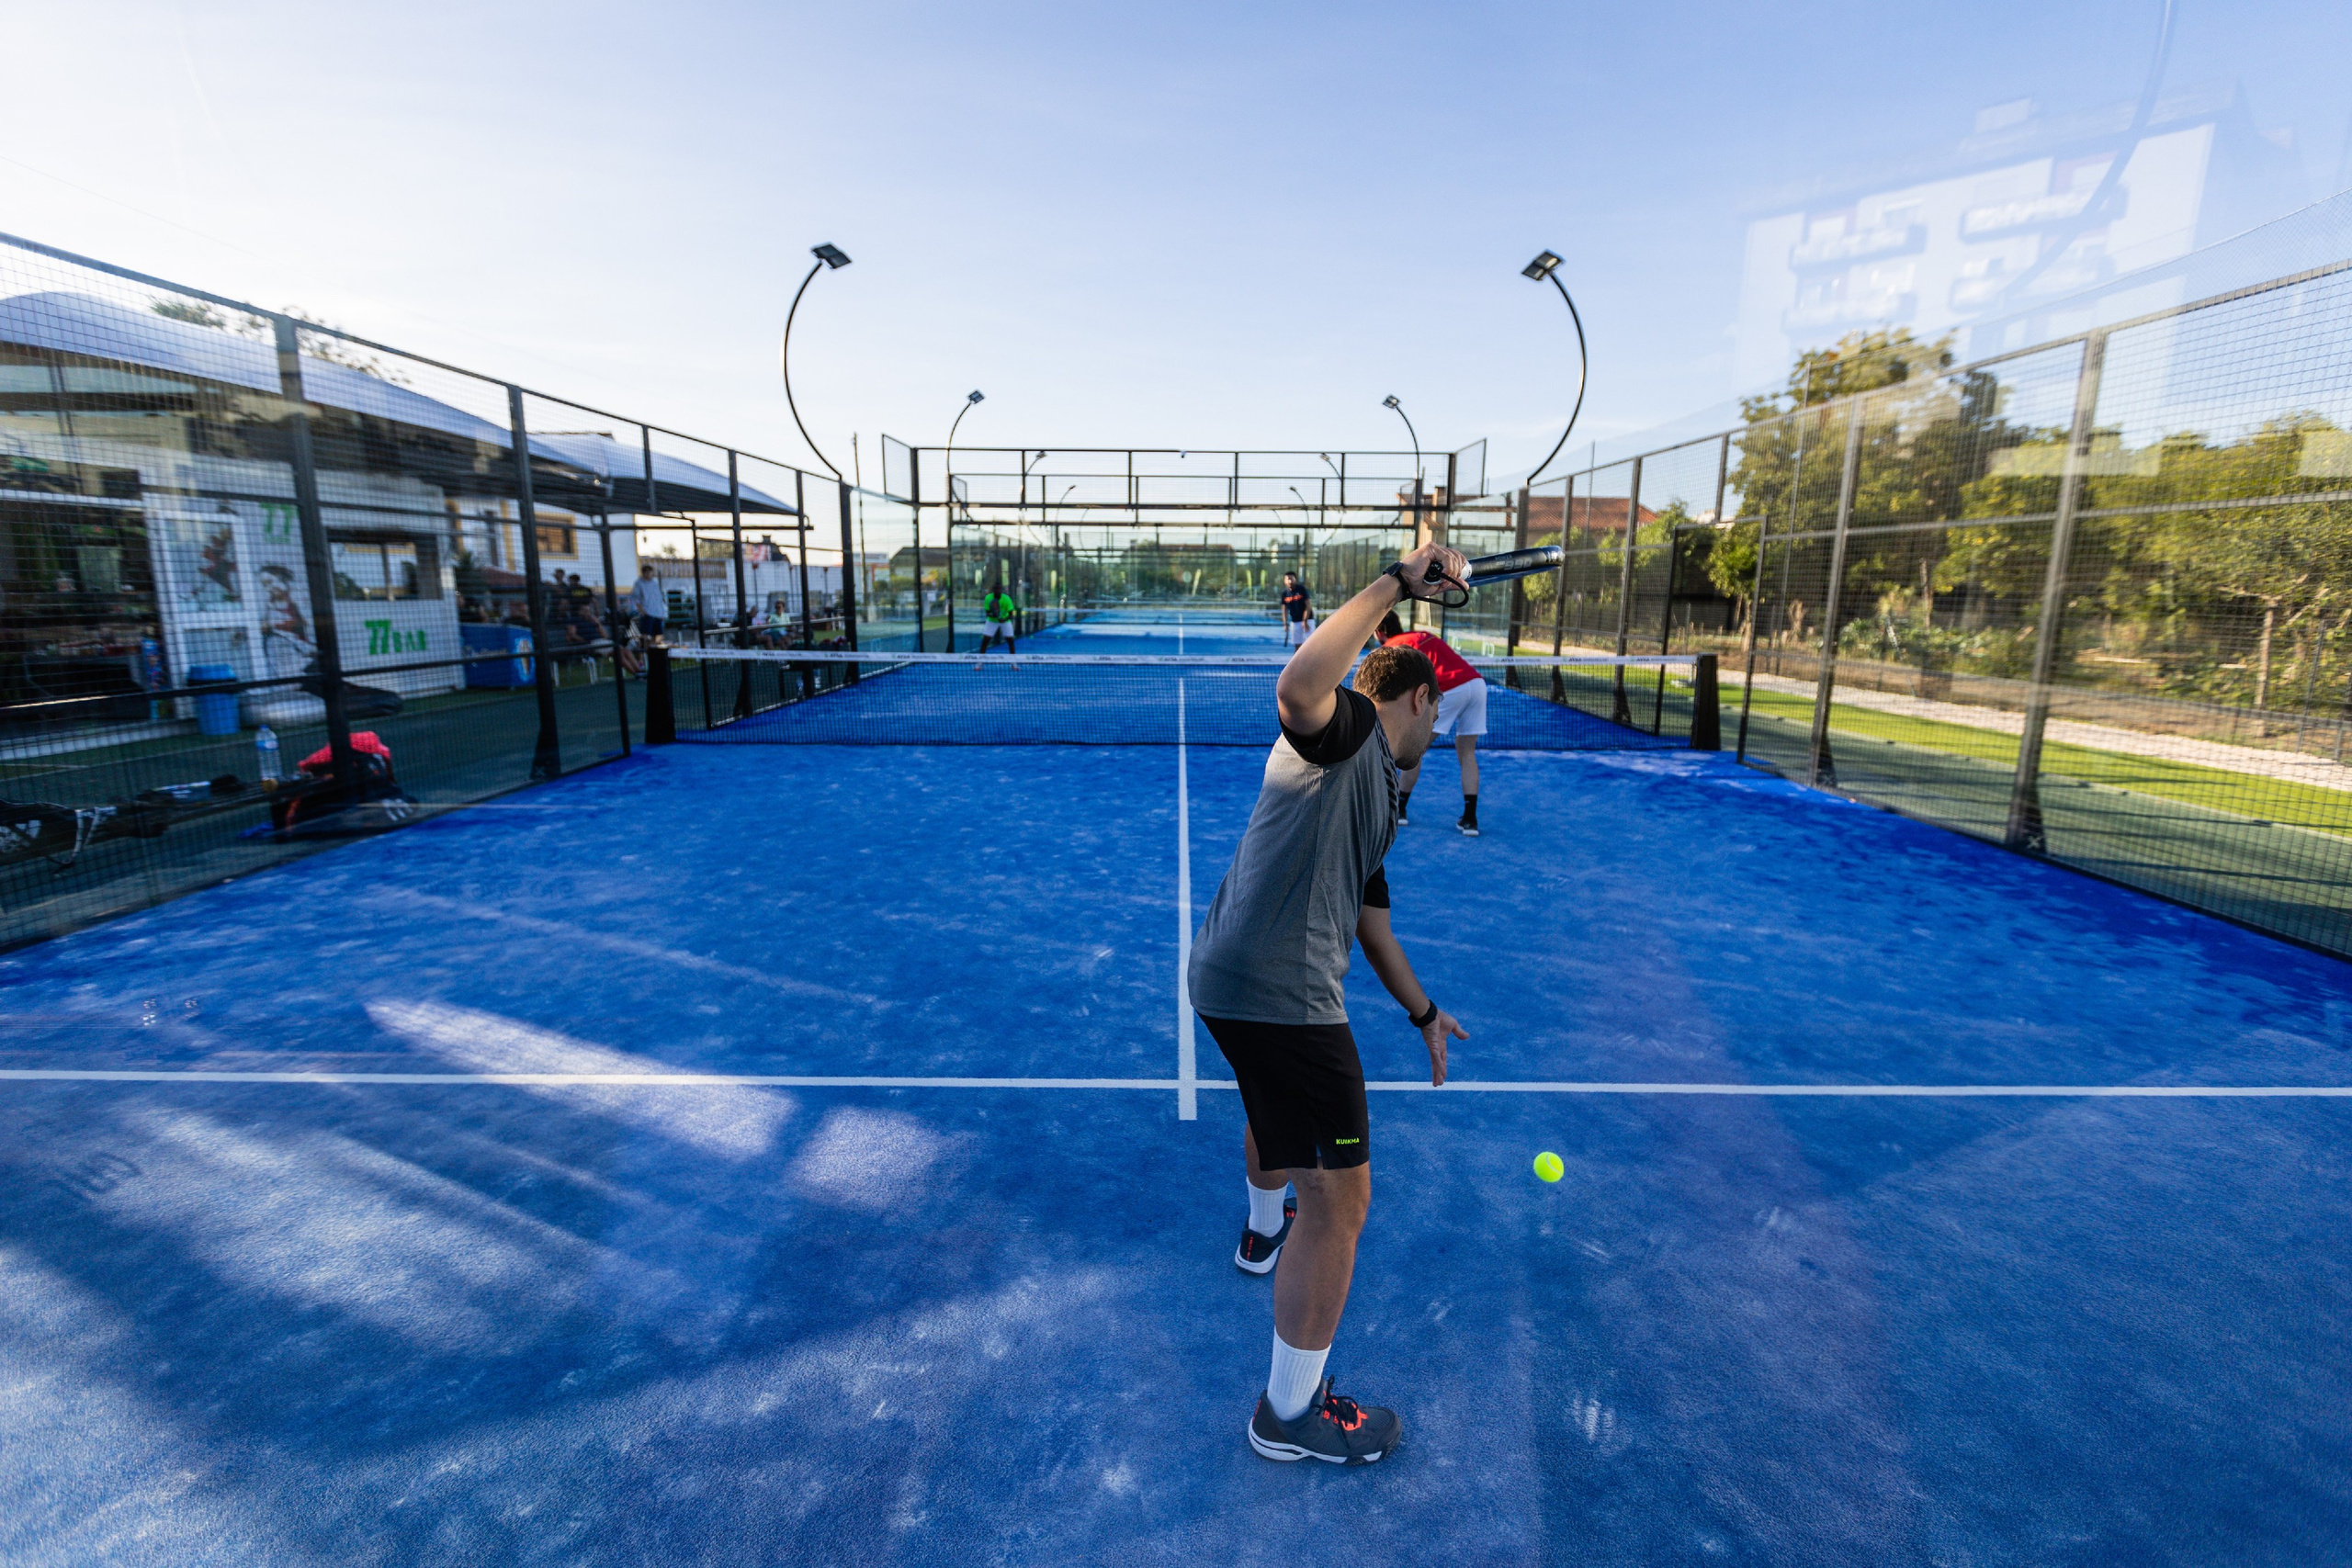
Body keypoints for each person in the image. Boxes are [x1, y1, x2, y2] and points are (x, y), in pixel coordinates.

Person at [1187, 538, 1471, 1467]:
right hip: (1281, 993)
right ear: (1421, 696)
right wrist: (1394, 579)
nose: (1442, 729)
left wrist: (1423, 1014)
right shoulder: (1348, 725)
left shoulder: (1381, 793)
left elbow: (1370, 927)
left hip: (1231, 980)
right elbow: (1298, 689)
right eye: (1440, 710)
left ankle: (1262, 1232)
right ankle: (1289, 1413)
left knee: (1284, 1131)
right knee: (1342, 1201)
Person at [1375, 612, 1487, 837]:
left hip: (1451, 689)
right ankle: (1470, 820)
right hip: (1477, 685)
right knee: (1467, 753)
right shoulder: (1422, 634)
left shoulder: (1391, 649)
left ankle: (1400, 809)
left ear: (1380, 632)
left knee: (1414, 749)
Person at [625, 563, 667, 656]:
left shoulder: (654, 583)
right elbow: (635, 598)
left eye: (650, 572)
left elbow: (658, 598)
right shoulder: (639, 583)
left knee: (658, 636)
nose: (648, 574)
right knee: (644, 636)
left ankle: (654, 655)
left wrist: (662, 612)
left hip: (658, 613)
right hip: (647, 613)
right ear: (643, 573)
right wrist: (642, 611)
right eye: (646, 572)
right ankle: (642, 657)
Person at [978, 582, 1019, 655]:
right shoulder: (988, 598)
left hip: (1005, 621)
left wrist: (1004, 619)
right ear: (993, 590)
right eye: (996, 589)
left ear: (1001, 590)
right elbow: (987, 613)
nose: (997, 591)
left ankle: (1013, 663)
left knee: (1010, 640)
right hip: (992, 621)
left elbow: (1011, 614)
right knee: (985, 640)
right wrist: (994, 615)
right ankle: (979, 663)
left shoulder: (1006, 599)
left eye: (999, 589)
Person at [1278, 571, 1313, 648]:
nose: (1290, 581)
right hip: (1295, 621)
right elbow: (1284, 609)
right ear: (1284, 581)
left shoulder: (1301, 589)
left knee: (1310, 644)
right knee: (1298, 645)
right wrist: (1285, 623)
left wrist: (1305, 620)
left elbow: (1308, 605)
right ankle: (1299, 660)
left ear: (1295, 580)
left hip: (1308, 620)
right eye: (1288, 579)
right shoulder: (1285, 593)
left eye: (1291, 579)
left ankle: (1313, 659)